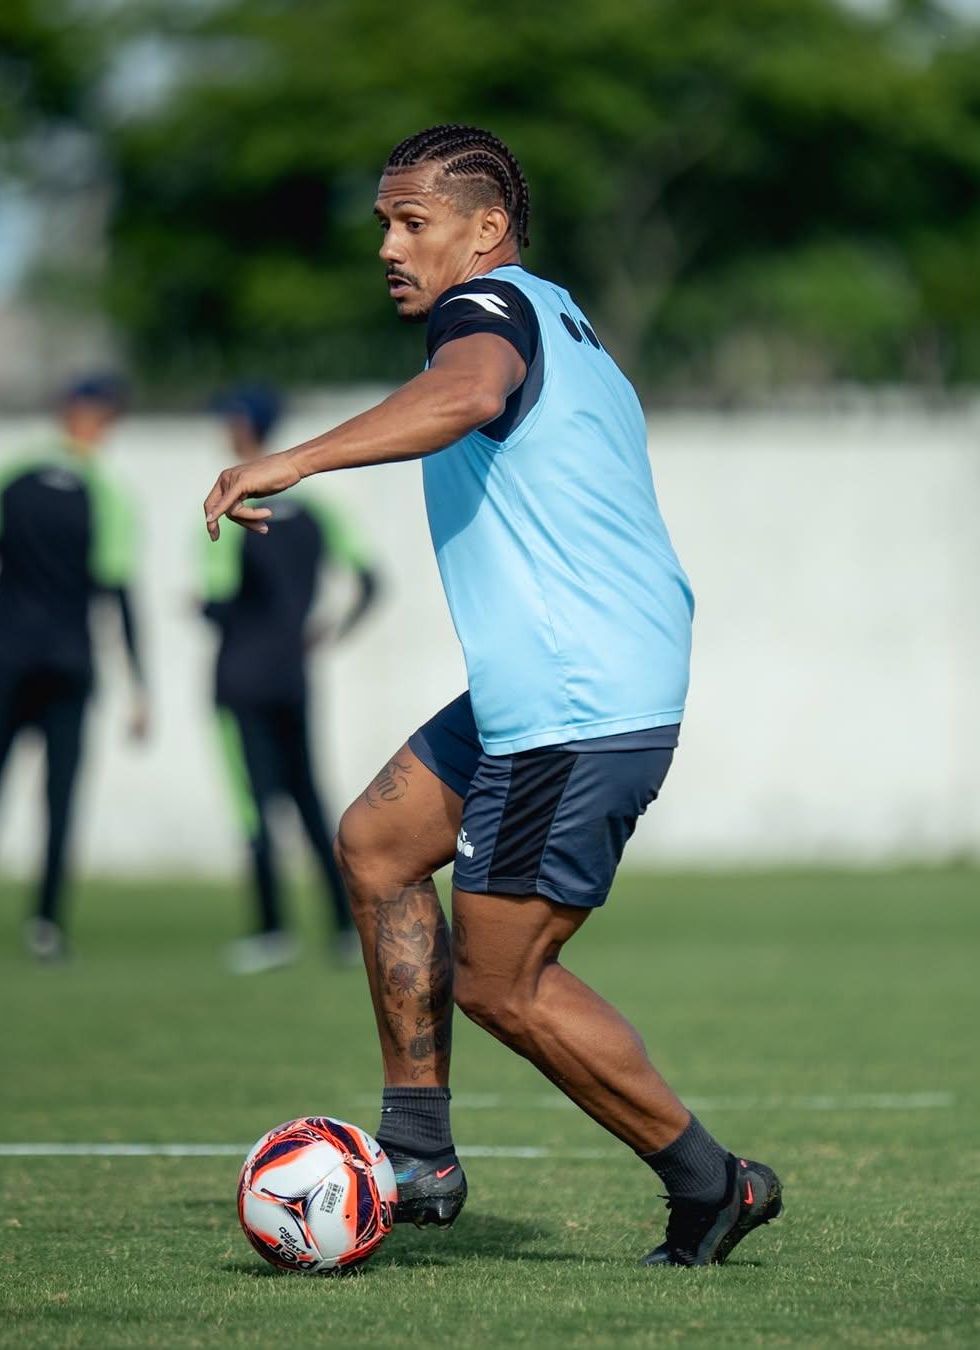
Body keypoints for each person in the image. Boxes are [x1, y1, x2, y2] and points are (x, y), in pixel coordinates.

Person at [203, 125, 783, 1267]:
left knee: (503, 983)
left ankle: (713, 1184)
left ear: (487, 229)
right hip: (554, 680)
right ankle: (417, 1151)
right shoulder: (554, 312)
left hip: (578, 694)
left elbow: (466, 397)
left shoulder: (488, 314)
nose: (389, 243)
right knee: (377, 844)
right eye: (382, 222)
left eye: (412, 221)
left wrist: (295, 458)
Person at [0, 375, 147, 970]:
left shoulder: (11, 474)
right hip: (69, 663)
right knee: (57, 797)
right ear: (92, 418)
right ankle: (43, 926)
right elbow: (118, 593)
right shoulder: (106, 491)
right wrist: (137, 683)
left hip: (12, 656)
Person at [202, 385, 379, 973]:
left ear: (244, 426)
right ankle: (340, 928)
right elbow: (371, 581)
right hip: (292, 675)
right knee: (308, 799)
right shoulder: (315, 510)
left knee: (255, 805)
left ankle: (272, 930)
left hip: (239, 676)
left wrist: (205, 609)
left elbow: (220, 600)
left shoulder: (228, 502)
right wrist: (328, 629)